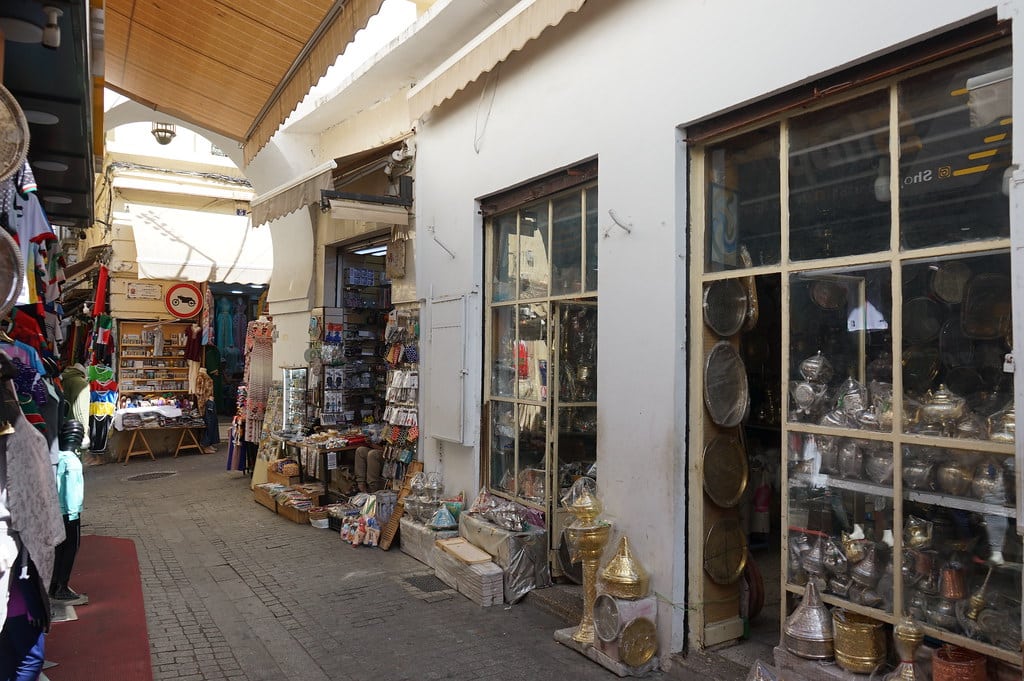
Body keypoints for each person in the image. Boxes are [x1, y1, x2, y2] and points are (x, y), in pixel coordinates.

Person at [50, 419, 86, 606]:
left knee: (59, 549)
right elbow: (71, 491)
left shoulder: (58, 456)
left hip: (57, 510)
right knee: (71, 547)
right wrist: (73, 513)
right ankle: (61, 587)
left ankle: (54, 583)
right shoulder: (72, 461)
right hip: (69, 513)